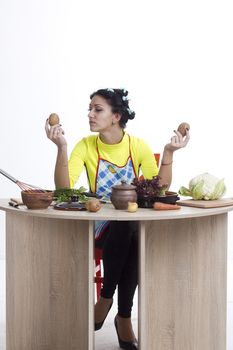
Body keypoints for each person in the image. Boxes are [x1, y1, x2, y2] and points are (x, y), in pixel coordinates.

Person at [45, 88, 190, 350]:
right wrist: (61, 147)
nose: (90, 114)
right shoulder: (85, 146)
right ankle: (123, 318)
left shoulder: (138, 146)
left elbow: (159, 189)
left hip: (130, 228)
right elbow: (64, 190)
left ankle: (106, 301)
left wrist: (168, 153)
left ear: (116, 116)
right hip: (99, 226)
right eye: (89, 109)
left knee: (131, 229)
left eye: (97, 109)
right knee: (129, 229)